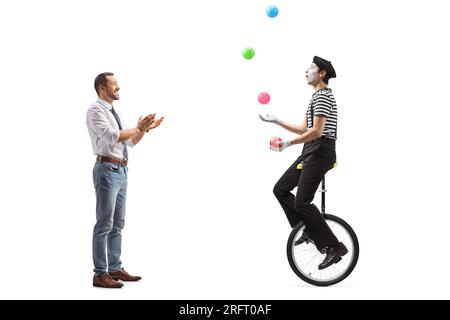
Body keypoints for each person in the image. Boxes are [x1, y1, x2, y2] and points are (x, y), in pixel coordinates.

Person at [259, 56, 347, 270]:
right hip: (310, 151)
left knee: (302, 202)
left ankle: (334, 246)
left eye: (311, 68)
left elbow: (316, 132)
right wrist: (277, 120)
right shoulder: (316, 97)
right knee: (280, 189)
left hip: (321, 151)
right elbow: (304, 129)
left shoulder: (324, 97)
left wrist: (288, 143)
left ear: (322, 73)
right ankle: (307, 228)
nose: (306, 71)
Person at [86, 72, 164, 288]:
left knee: (117, 224)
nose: (118, 87)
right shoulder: (95, 110)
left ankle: (114, 268)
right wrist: (137, 128)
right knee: (104, 223)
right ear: (102, 88)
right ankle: (100, 274)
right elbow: (113, 136)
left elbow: (129, 143)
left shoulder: (113, 111)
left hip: (120, 170)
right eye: (114, 84)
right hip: (107, 169)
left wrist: (144, 129)